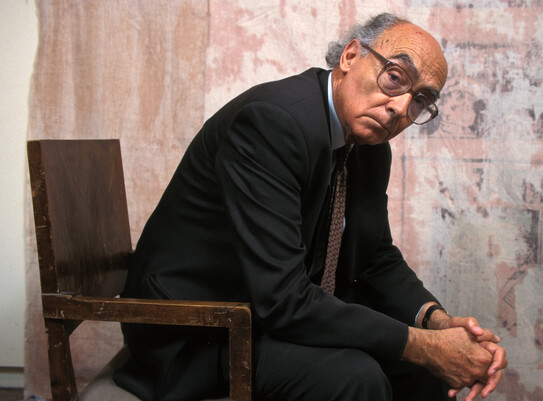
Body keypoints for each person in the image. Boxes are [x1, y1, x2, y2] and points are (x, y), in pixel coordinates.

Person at [114, 13, 508, 401]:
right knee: (356, 377)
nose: (401, 108)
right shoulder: (273, 122)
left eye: (420, 101)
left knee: (422, 374)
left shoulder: (369, 148)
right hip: (196, 330)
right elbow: (283, 298)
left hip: (263, 315)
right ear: (350, 57)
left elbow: (375, 258)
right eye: (394, 77)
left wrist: (437, 324)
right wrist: (422, 346)